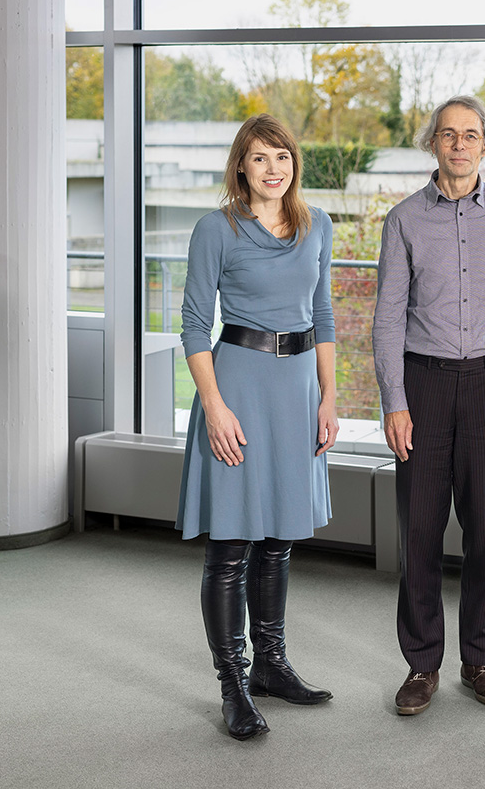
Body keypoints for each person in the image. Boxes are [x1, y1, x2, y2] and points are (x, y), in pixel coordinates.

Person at [372, 95, 485, 716]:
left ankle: (480, 658)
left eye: (470, 135)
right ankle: (421, 665)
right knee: (419, 531)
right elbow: (388, 317)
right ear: (433, 143)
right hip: (425, 387)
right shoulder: (404, 220)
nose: (460, 144)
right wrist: (395, 401)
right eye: (448, 134)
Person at [177, 114, 337, 740]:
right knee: (231, 545)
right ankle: (233, 685)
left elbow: (322, 313)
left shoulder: (317, 224)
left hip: (297, 390)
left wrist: (328, 397)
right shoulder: (215, 229)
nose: (274, 169)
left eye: (283, 157)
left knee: (279, 541)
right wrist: (215, 406)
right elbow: (195, 324)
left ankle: (271, 665)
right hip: (238, 387)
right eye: (261, 157)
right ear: (241, 166)